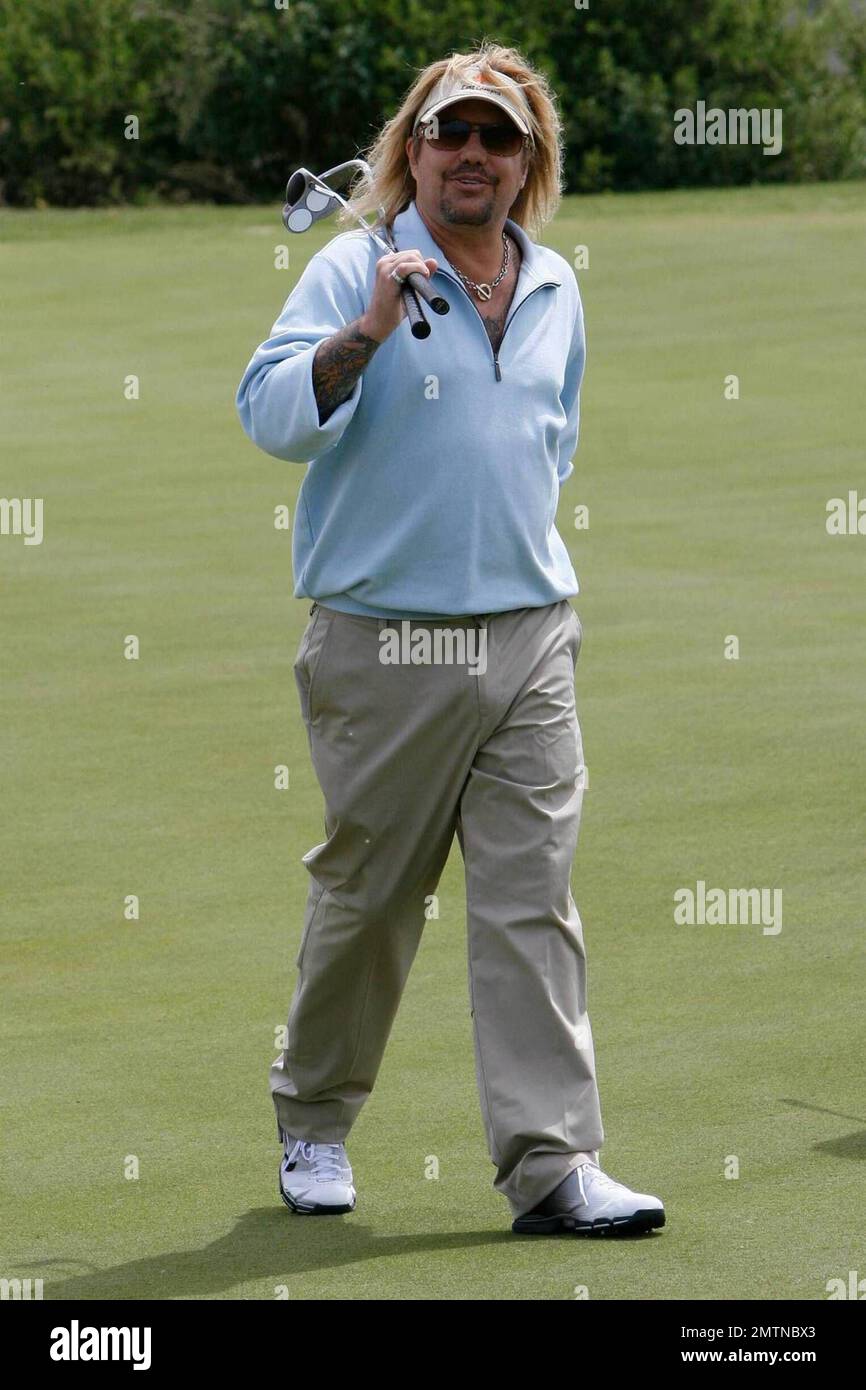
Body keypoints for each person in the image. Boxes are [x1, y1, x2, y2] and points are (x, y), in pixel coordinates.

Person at [236, 43, 665, 1237]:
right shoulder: (348, 264)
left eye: (497, 137)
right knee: (370, 898)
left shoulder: (555, 284)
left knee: (532, 904)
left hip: (531, 635)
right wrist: (363, 333)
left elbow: (549, 440)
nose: (472, 154)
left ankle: (551, 1164)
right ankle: (313, 1120)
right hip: (384, 638)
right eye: (449, 133)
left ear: (527, 162)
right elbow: (270, 416)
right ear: (410, 150)